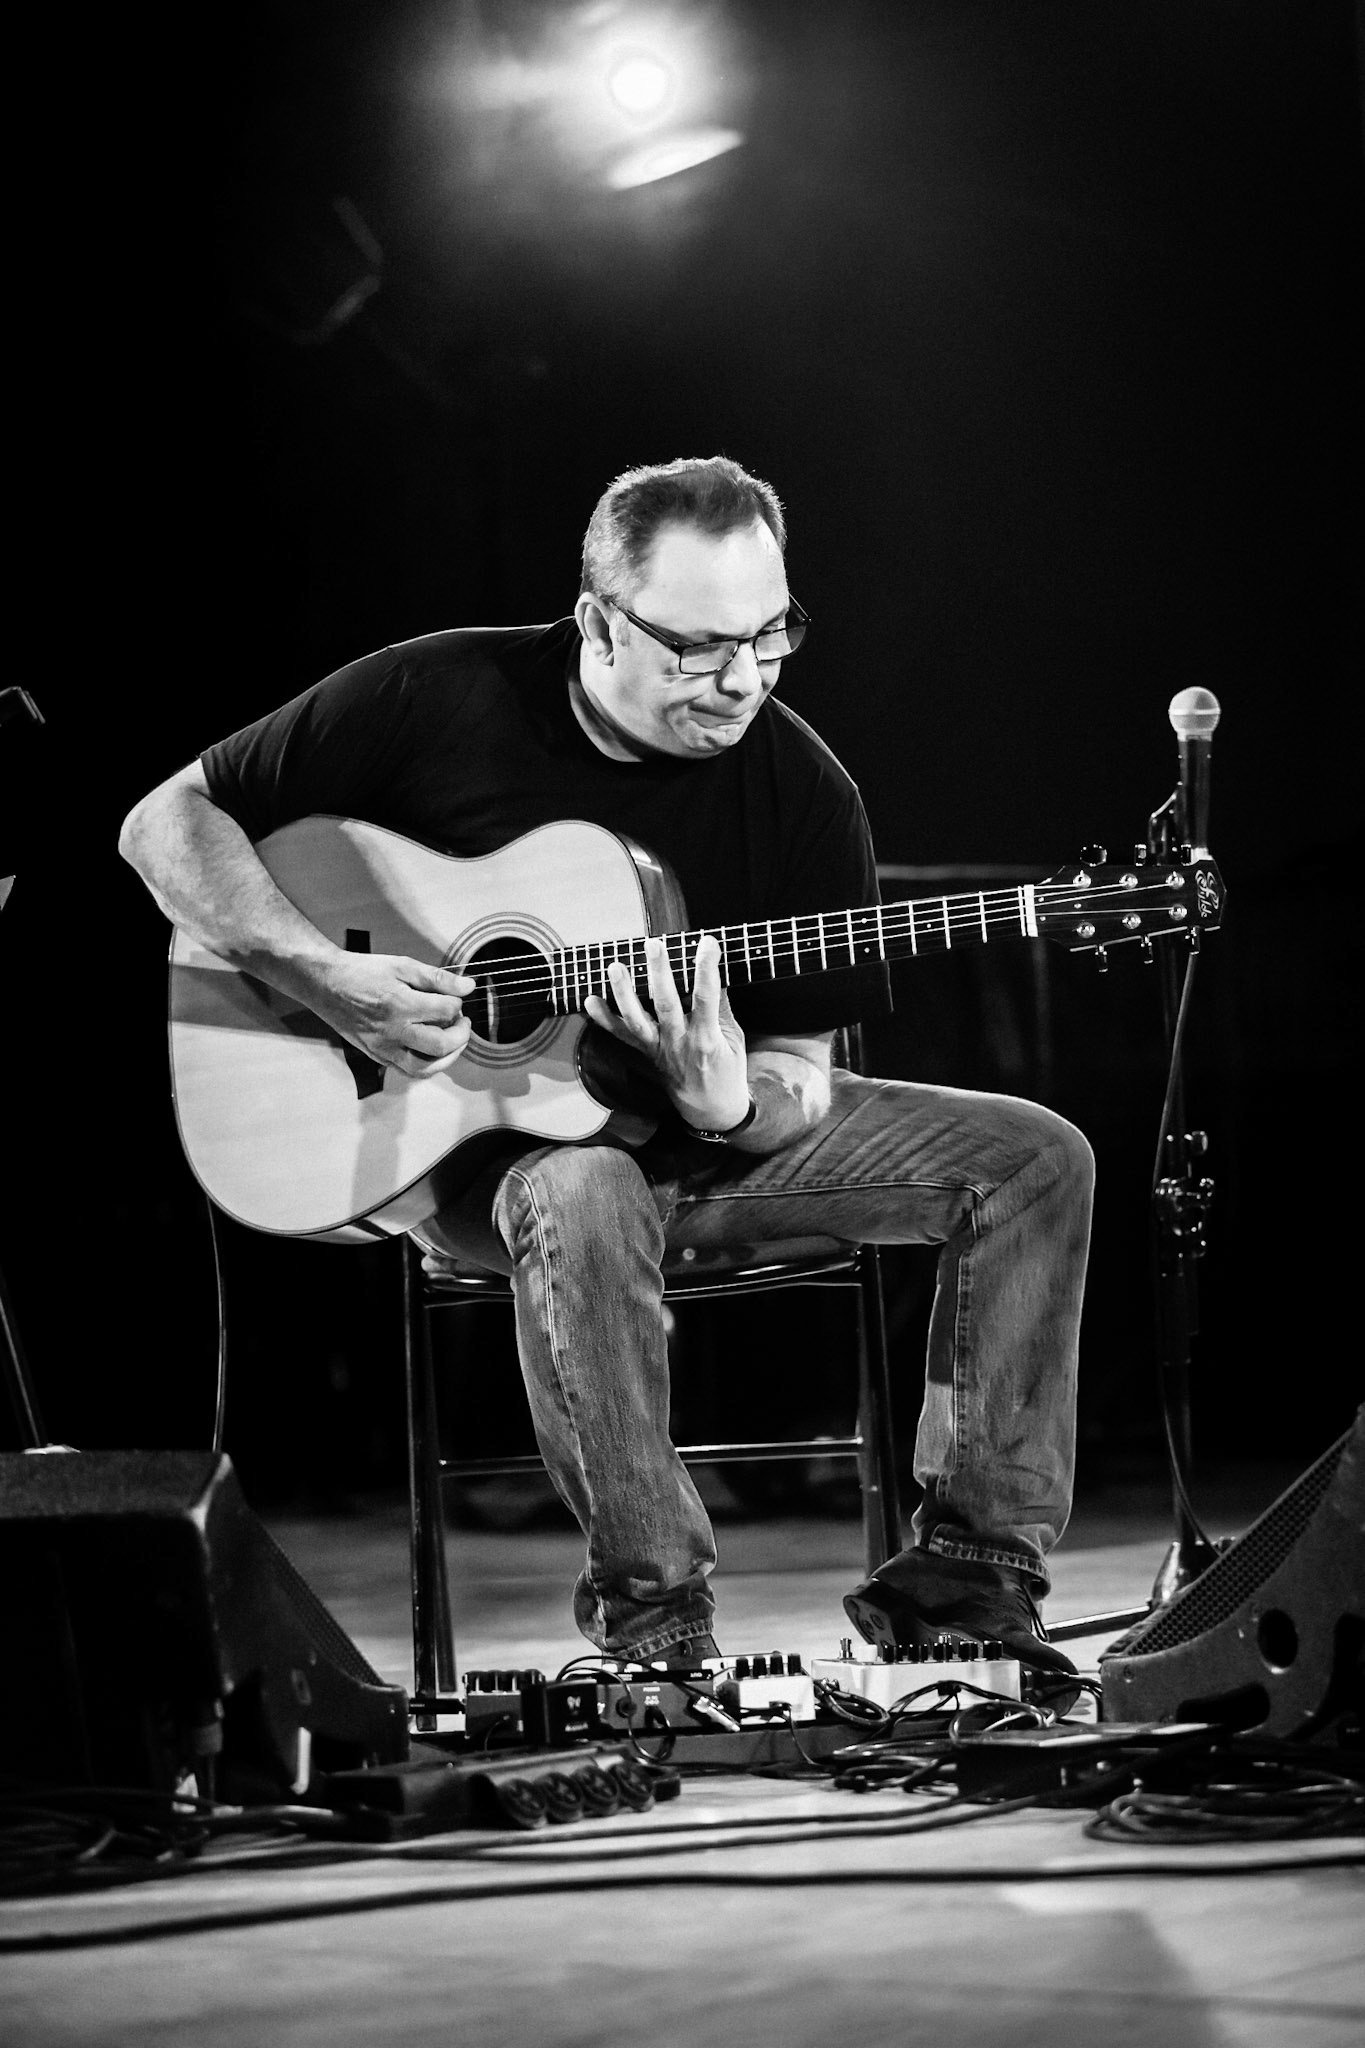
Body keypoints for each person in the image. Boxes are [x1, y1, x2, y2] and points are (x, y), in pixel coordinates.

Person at [119, 455, 1092, 1682]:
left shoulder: (804, 788)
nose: (741, 678)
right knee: (583, 1185)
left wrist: (727, 1101)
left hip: (707, 1153)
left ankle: (967, 1580)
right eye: (697, 646)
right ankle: (659, 1633)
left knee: (1036, 1159)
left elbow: (795, 1072)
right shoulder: (438, 692)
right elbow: (164, 823)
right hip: (480, 1164)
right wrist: (322, 973)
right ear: (597, 618)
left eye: (769, 634)